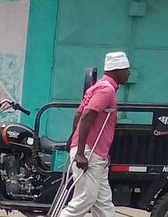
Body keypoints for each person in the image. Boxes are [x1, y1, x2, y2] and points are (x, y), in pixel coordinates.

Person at [58, 52, 131, 217]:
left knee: (103, 204)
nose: (129, 73)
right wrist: (80, 152)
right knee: (85, 199)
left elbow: (78, 115)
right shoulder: (107, 90)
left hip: (97, 155)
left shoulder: (98, 87)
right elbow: (88, 115)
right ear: (116, 69)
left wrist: (75, 143)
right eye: (126, 69)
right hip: (90, 153)